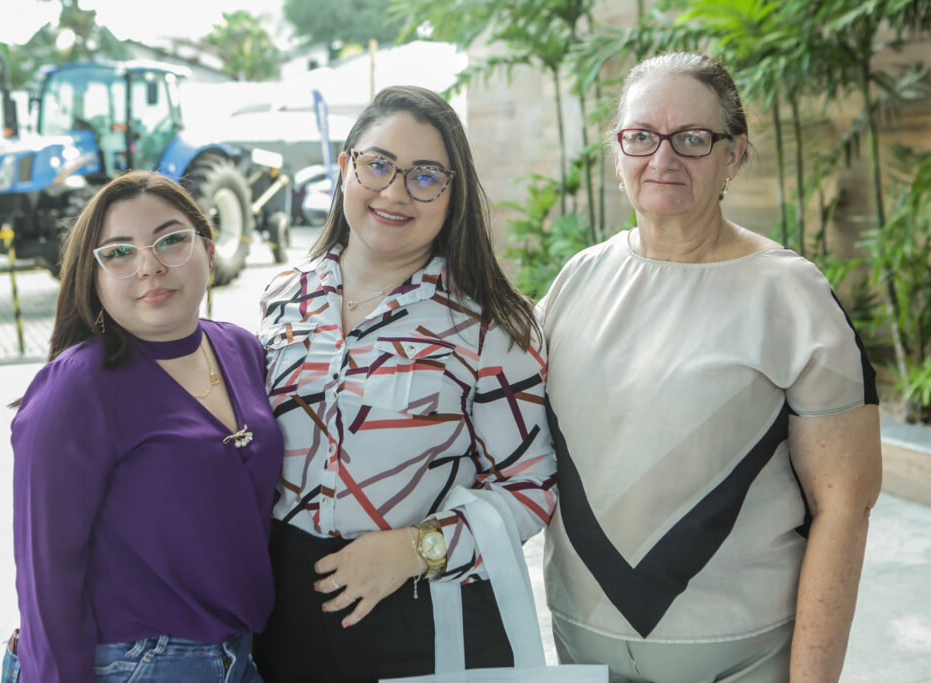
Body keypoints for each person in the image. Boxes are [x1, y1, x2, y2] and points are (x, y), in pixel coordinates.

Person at [538, 52, 882, 682]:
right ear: (617, 151)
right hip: (581, 649)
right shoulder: (576, 281)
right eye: (640, 136)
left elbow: (845, 507)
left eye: (692, 139)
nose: (662, 159)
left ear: (735, 156)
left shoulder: (790, 296)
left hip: (743, 656)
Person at [252, 85, 558, 682]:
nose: (395, 191)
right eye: (378, 164)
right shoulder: (283, 298)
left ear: (453, 194)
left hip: (425, 614)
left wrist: (415, 550)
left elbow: (531, 486)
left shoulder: (490, 325)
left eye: (425, 176)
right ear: (345, 168)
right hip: (283, 616)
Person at [2, 171, 282, 682]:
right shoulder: (77, 386)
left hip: (237, 657)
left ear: (209, 248)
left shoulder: (243, 350)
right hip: (132, 663)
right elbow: (46, 573)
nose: (150, 267)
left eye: (172, 240)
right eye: (119, 253)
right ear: (95, 276)